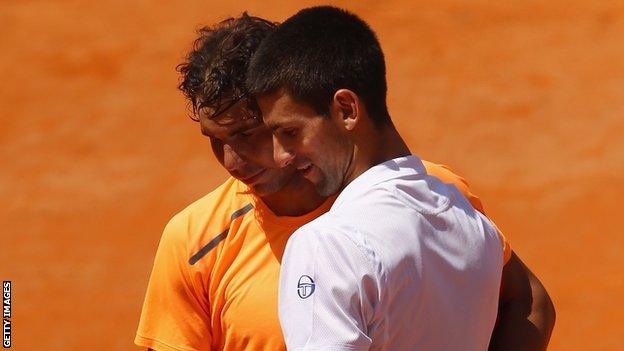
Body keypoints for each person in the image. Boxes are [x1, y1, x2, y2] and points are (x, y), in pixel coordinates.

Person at [135, 12, 554, 351]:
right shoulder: (194, 240)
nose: (231, 161)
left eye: (249, 134)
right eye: (215, 140)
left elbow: (529, 302)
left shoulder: (436, 193)